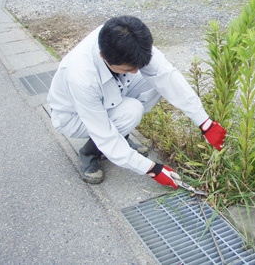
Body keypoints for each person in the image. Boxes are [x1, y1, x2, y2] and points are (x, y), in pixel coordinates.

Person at [47, 16, 226, 188]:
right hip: (74, 117)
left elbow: (167, 77)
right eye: (129, 68)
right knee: (131, 111)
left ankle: (121, 135)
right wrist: (151, 169)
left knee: (159, 83)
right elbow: (104, 134)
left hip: (111, 94)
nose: (135, 72)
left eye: (137, 67)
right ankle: (90, 153)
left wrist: (205, 123)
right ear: (103, 57)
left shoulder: (131, 40)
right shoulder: (81, 77)